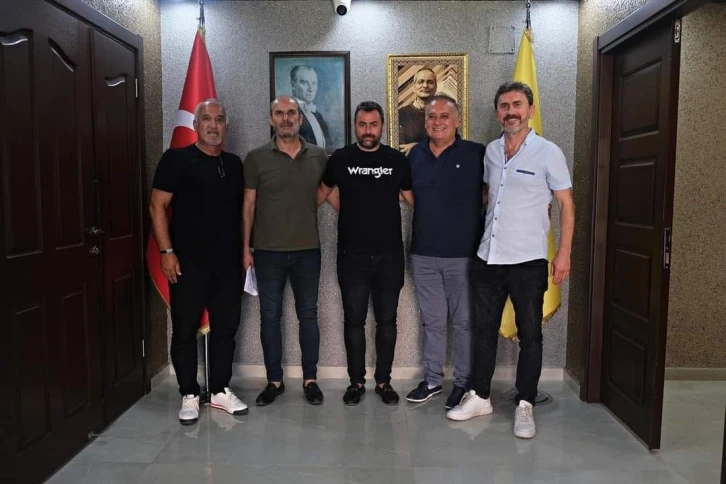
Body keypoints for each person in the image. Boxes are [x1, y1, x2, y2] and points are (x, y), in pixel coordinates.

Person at [446, 82, 575, 440]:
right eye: (504, 106)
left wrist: (564, 252)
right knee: (483, 331)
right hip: (488, 258)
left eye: (517, 104)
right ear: (497, 112)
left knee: (530, 335)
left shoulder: (548, 153)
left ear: (530, 109)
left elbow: (566, 204)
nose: (510, 112)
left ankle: (526, 402)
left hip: (528, 261)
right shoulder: (490, 151)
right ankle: (480, 396)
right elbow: (490, 196)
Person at [150, 99, 247, 425]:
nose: (213, 125)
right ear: (195, 125)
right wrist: (166, 252)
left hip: (227, 266)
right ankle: (189, 393)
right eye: (206, 119)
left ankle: (219, 390)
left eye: (219, 119)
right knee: (184, 330)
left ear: (226, 126)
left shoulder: (234, 164)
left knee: (226, 330)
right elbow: (157, 206)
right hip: (187, 264)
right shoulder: (176, 159)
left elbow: (242, 212)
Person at [318, 101, 413, 406]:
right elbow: (322, 192)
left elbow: (412, 199)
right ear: (355, 126)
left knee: (387, 321)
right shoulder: (341, 159)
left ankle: (383, 381)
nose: (368, 131)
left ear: (382, 126)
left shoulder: (396, 160)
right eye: (362, 125)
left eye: (373, 125)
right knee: (354, 320)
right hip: (351, 256)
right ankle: (356, 382)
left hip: (389, 256)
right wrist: (346, 208)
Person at [243, 95, 328, 406]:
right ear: (271, 119)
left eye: (291, 112)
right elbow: (248, 205)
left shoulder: (318, 156)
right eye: (279, 113)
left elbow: (327, 192)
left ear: (300, 118)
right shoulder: (256, 158)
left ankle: (310, 380)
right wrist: (245, 248)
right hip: (267, 252)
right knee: (270, 317)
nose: (286, 118)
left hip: (308, 250)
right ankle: (274, 381)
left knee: (308, 315)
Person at [405, 94, 485, 411]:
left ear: (457, 120)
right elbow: (409, 193)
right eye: (432, 116)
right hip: (423, 254)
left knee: (464, 323)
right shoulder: (415, 155)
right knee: (433, 323)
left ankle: (463, 383)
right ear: (425, 121)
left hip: (463, 255)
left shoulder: (476, 153)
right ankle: (432, 381)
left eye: (444, 116)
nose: (437, 122)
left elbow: (494, 191)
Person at [290, 65, 333, 153]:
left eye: (314, 83)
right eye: (304, 83)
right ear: (293, 85)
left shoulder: (318, 115)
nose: (311, 89)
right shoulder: (289, 115)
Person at [398, 67, 437, 156]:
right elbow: (400, 149)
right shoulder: (401, 114)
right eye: (421, 81)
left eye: (430, 82)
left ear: (436, 87)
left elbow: (449, 146)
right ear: (413, 87)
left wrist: (417, 147)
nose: (425, 85)